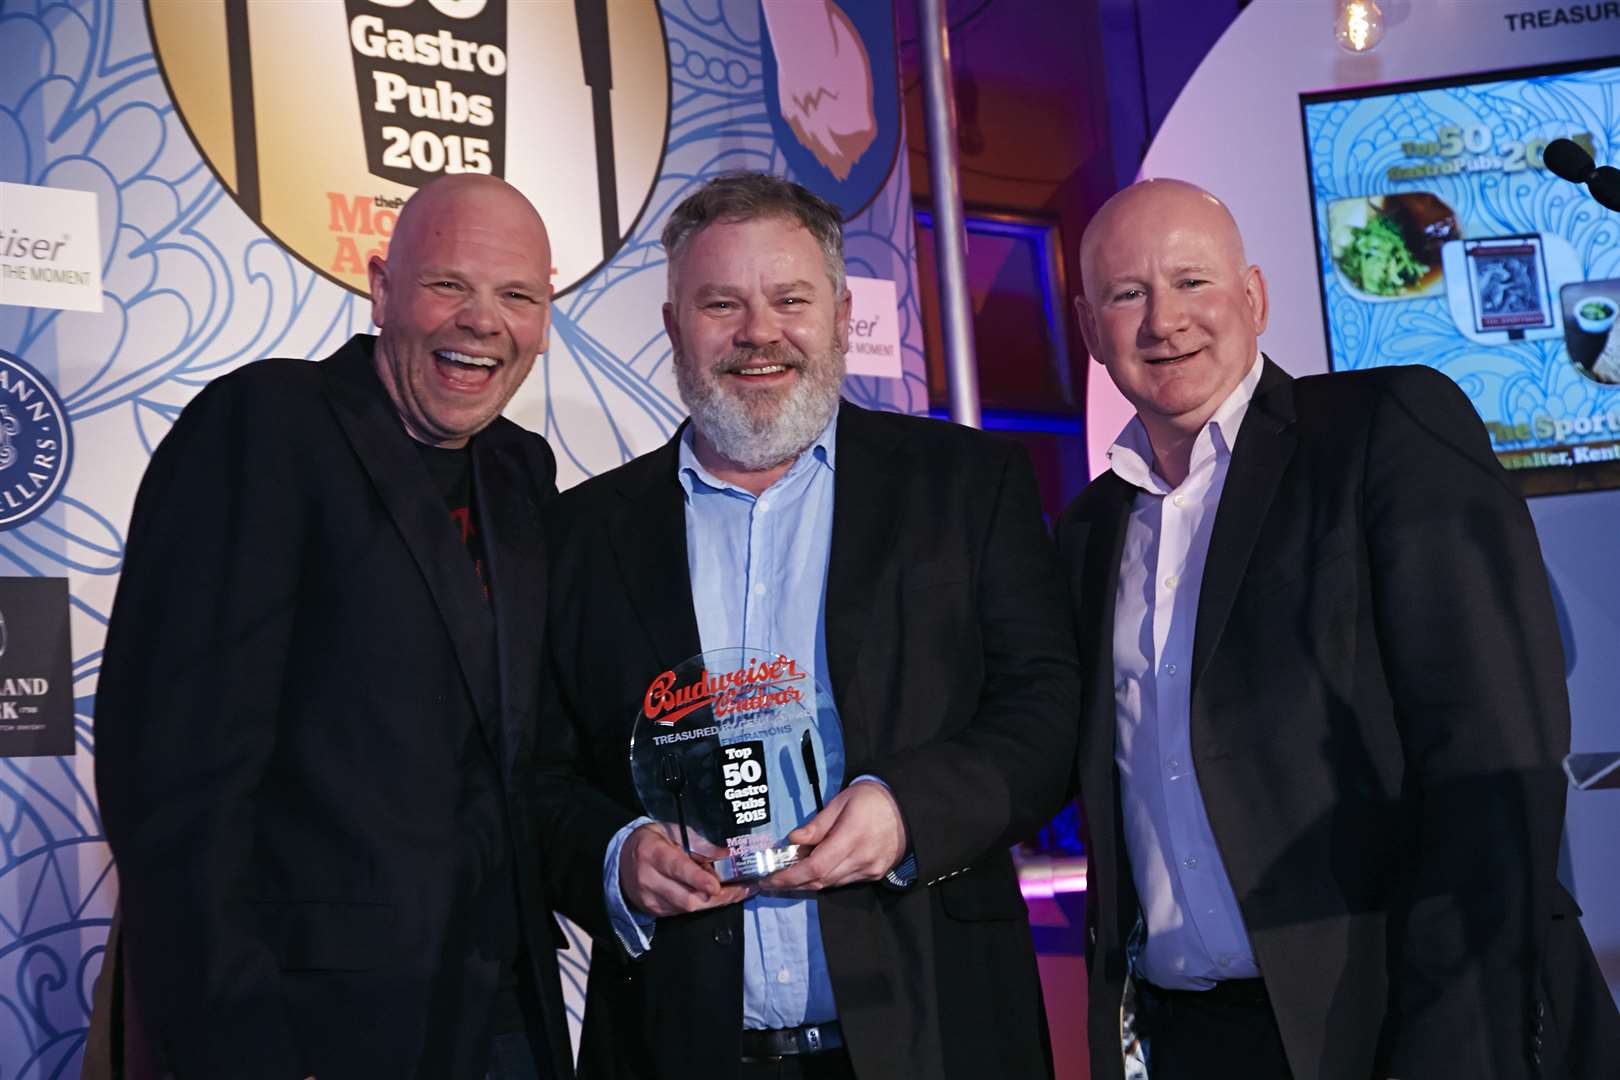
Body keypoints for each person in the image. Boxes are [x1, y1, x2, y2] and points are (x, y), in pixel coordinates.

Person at [1056, 178, 1620, 1080]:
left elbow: (1492, 752)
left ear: (1254, 298)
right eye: (1129, 294)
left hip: (1401, 1021)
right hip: (1193, 1040)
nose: (1165, 322)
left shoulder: (1379, 428)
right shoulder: (1088, 533)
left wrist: (1455, 1038)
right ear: (1090, 327)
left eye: (1193, 283)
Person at [532, 171, 1082, 1080]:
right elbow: (538, 773)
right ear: (674, 327)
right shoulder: (584, 533)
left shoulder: (965, 486)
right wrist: (616, 854)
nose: (759, 333)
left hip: (935, 1032)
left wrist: (908, 812)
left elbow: (1049, 711)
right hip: (676, 1048)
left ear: (839, 314)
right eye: (721, 304)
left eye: (790, 299)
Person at [94, 174, 573, 1080]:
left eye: (518, 296)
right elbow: (175, 784)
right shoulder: (265, 427)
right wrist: (242, 1048)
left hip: (503, 1012)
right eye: (447, 285)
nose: (483, 321)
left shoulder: (521, 470)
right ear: (382, 286)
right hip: (316, 1025)